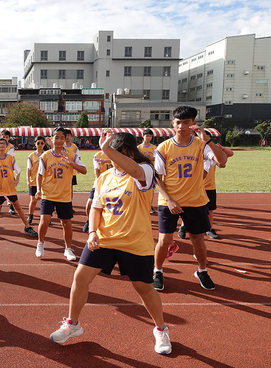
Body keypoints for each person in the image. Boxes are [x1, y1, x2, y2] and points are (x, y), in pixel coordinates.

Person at [49, 129, 172, 355]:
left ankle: (161, 328)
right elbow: (96, 207)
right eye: (111, 152)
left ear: (129, 152)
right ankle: (72, 324)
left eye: (118, 152)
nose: (113, 158)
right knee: (80, 277)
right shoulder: (105, 176)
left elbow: (133, 169)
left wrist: (106, 149)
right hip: (104, 239)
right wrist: (92, 232)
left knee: (143, 288)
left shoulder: (144, 170)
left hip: (135, 241)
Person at [153, 106, 227, 291]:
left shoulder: (202, 145)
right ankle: (158, 271)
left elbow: (222, 161)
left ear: (194, 123)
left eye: (186, 122)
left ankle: (202, 270)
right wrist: (169, 200)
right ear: (173, 123)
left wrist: (208, 140)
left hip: (195, 201)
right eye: (178, 122)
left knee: (197, 239)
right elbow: (157, 178)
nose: (181, 126)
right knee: (164, 240)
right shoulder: (164, 147)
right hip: (168, 201)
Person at [35, 127, 87, 261]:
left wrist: (70, 162)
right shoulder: (45, 156)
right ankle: (40, 243)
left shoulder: (71, 154)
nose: (58, 140)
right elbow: (39, 175)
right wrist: (38, 190)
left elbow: (84, 170)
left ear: (65, 139)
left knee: (67, 223)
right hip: (48, 194)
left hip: (64, 195)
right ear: (51, 139)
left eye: (61, 138)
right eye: (56, 137)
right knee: (44, 221)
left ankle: (68, 249)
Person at [176, 130, 234, 241]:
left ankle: (209, 228)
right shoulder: (192, 151)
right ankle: (183, 226)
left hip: (209, 187)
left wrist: (220, 148)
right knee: (187, 207)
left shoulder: (212, 153)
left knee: (209, 210)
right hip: (194, 187)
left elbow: (229, 156)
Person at [0, 137, 38, 241]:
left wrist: (17, 180)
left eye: (4, 144)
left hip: (10, 187)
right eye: (0, 144)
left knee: (17, 207)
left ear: (6, 146)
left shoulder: (10, 158)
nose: (2, 145)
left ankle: (27, 227)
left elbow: (18, 171)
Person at [82, 148, 114, 233]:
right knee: (89, 203)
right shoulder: (97, 155)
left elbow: (119, 162)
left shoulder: (115, 154)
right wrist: (100, 183)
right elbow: (96, 171)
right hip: (100, 182)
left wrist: (105, 160)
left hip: (114, 183)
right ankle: (89, 221)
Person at [26, 136, 46, 225]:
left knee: (45, 201)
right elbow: (28, 169)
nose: (40, 145)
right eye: (38, 143)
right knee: (33, 200)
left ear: (44, 144)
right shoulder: (31, 156)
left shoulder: (47, 154)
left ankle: (46, 217)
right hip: (34, 181)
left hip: (45, 182)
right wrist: (28, 180)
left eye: (42, 143)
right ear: (35, 144)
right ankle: (30, 215)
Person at [138, 129, 158, 215]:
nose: (148, 138)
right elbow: (137, 159)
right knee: (140, 189)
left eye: (150, 136)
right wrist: (148, 159)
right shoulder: (139, 148)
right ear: (143, 136)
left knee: (150, 189)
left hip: (151, 171)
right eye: (147, 136)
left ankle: (149, 205)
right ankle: (140, 205)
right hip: (141, 171)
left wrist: (144, 158)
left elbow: (156, 158)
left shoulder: (154, 148)